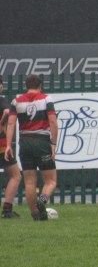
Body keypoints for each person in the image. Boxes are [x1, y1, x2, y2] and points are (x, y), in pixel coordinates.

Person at [5, 74, 58, 221]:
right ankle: (43, 199)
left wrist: (8, 145)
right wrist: (53, 144)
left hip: (25, 142)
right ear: (40, 86)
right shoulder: (46, 99)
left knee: (29, 181)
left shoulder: (16, 101)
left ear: (26, 86)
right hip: (41, 142)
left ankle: (36, 214)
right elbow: (53, 122)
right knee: (51, 181)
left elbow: (11, 123)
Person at [0, 77, 21, 218]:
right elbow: (7, 112)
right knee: (15, 175)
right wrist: (2, 123)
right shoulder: (2, 99)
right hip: (1, 145)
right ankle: (7, 210)